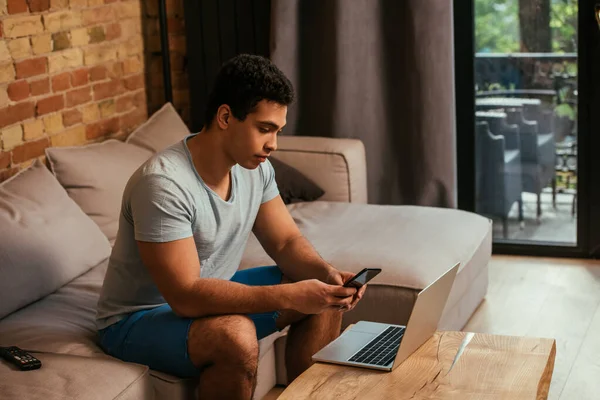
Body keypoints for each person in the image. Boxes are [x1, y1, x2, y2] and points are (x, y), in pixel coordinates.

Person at [95, 54, 367, 399]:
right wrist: (289, 295)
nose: (274, 144)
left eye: (277, 131)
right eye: (264, 129)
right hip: (136, 320)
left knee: (321, 291)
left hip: (208, 291)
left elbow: (284, 241)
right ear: (226, 117)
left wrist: (327, 276)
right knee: (236, 333)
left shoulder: (255, 168)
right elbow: (185, 297)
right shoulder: (163, 183)